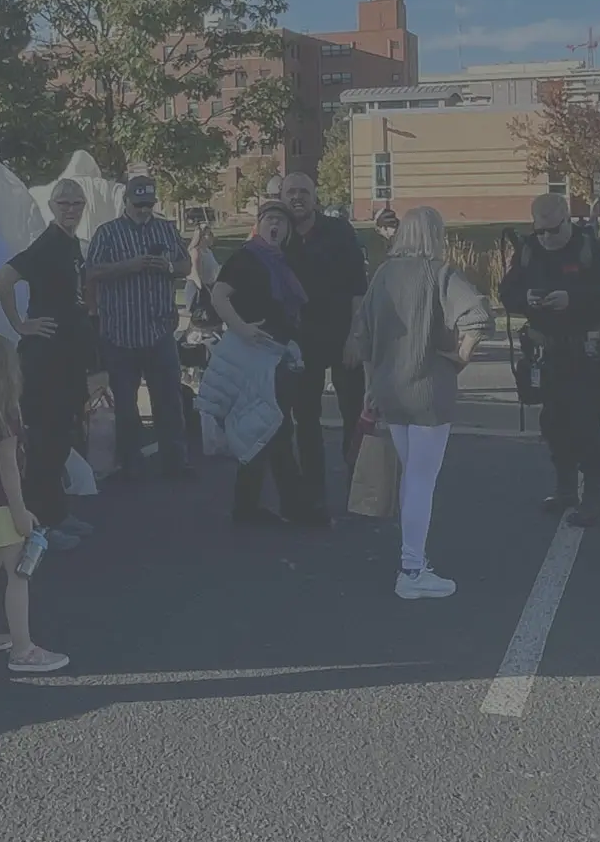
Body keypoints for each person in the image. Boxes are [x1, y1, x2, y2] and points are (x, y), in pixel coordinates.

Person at [349, 206, 491, 599]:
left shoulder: (382, 276)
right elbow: (477, 317)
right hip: (429, 390)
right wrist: (461, 356)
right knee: (421, 480)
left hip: (389, 389)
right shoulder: (440, 274)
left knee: (411, 475)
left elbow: (362, 335)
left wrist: (370, 383)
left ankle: (412, 562)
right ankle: (412, 568)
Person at [0, 180, 109, 552]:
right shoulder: (46, 245)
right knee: (44, 443)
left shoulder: (71, 246)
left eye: (77, 203)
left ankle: (57, 513)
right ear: (52, 205)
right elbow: (4, 278)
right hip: (44, 361)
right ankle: (38, 524)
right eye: (64, 203)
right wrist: (20, 324)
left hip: (68, 358)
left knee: (63, 439)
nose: (71, 209)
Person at [498, 194, 600, 523]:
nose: (547, 238)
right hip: (544, 352)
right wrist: (527, 299)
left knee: (585, 424)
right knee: (554, 423)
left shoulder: (590, 250)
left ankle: (594, 494)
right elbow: (507, 292)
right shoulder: (529, 251)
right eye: (541, 232)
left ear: (568, 220)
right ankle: (565, 487)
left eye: (553, 230)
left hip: (583, 352)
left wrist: (574, 300)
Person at [0, 335, 69, 674]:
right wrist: (20, 512)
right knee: (19, 574)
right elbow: (8, 468)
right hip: (0, 504)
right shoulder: (6, 413)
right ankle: (23, 650)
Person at [209, 202, 319, 525]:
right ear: (259, 225)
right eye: (270, 220)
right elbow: (218, 295)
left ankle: (252, 508)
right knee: (270, 428)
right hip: (255, 356)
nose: (276, 227)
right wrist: (242, 328)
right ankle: (286, 507)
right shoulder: (246, 258)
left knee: (270, 427)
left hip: (279, 355)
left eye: (281, 223)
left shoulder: (283, 262)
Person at [85, 173, 193, 478]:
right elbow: (91, 272)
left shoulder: (165, 229)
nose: (144, 211)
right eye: (138, 204)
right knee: (126, 405)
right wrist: (127, 267)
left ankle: (176, 462)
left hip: (159, 330)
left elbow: (185, 264)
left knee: (169, 401)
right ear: (126, 201)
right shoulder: (107, 233)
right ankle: (130, 464)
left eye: (148, 204)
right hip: (120, 332)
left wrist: (169, 267)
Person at [282, 173, 371, 496]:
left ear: (314, 196)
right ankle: (312, 489)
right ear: (282, 196)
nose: (297, 197)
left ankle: (358, 487)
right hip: (299, 343)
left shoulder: (338, 232)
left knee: (353, 416)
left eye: (304, 191)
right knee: (305, 419)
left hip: (341, 336)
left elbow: (358, 290)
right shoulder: (277, 235)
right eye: (290, 191)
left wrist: (356, 337)